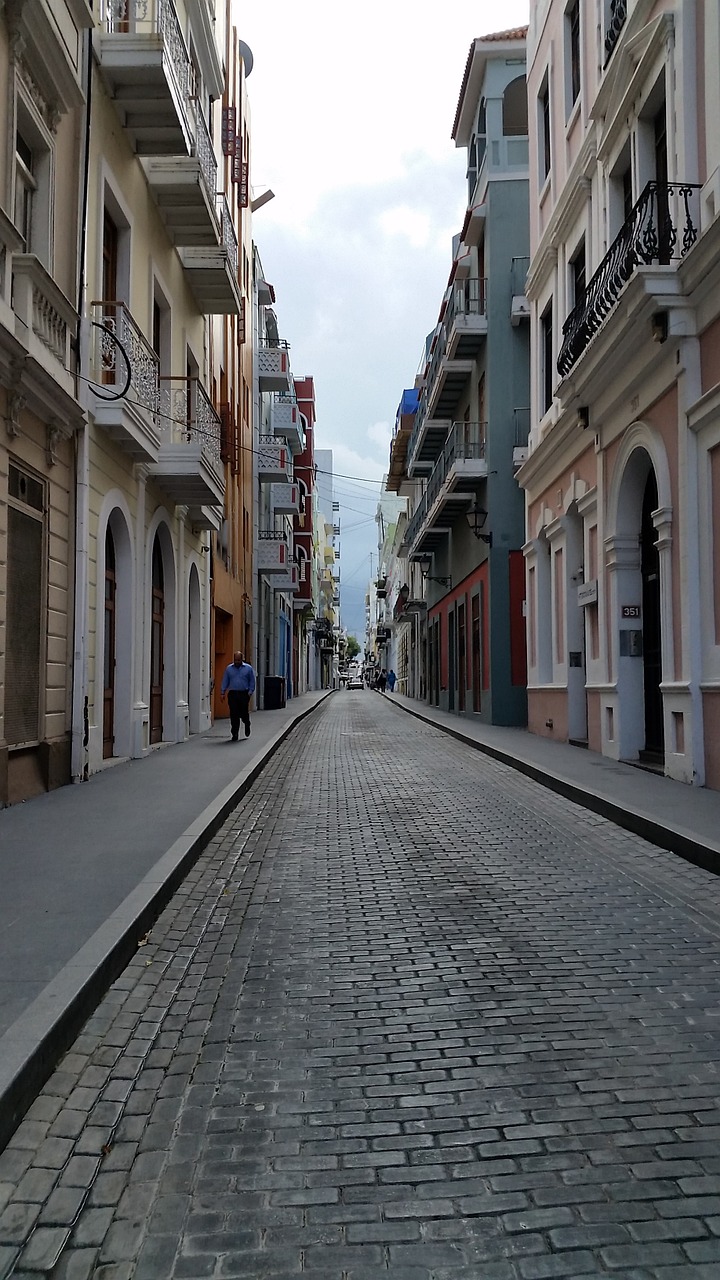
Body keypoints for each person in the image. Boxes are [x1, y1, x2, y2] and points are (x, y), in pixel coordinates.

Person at [220, 651, 256, 740]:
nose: (237, 662)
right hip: (233, 694)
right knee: (234, 714)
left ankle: (247, 723)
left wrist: (250, 691)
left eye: (238, 660)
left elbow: (252, 680)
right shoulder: (229, 669)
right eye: (235, 660)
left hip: (244, 693)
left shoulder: (248, 668)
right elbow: (225, 680)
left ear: (242, 659)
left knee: (243, 712)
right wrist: (222, 692)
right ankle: (235, 733)